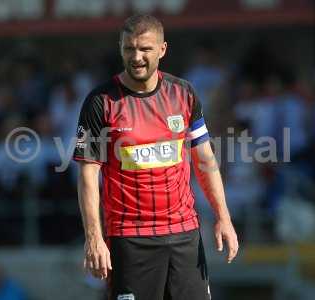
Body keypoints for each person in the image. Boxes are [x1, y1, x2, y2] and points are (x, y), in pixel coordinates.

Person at [73, 14, 238, 300]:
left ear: (162, 50)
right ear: (121, 48)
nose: (136, 57)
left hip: (184, 234)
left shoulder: (183, 94)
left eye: (145, 49)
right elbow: (88, 175)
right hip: (130, 238)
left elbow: (205, 161)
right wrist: (94, 237)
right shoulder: (100, 101)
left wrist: (223, 217)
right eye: (129, 49)